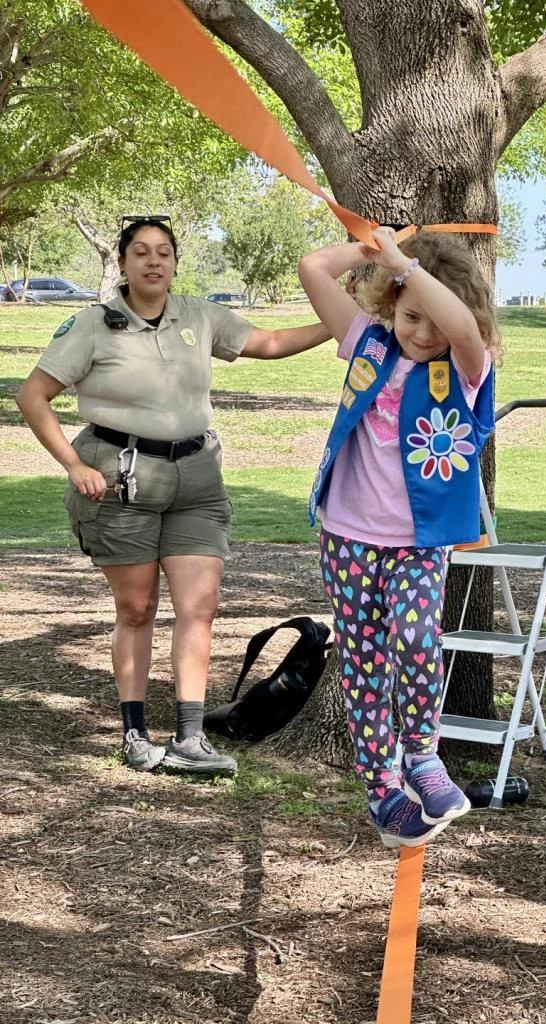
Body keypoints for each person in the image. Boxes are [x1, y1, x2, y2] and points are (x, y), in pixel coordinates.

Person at [15, 216, 330, 776]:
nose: (154, 261)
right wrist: (72, 464)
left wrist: (341, 322)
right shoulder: (92, 325)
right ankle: (135, 733)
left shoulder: (200, 315)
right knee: (136, 609)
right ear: (124, 263)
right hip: (117, 477)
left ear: (176, 262)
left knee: (199, 608)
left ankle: (190, 737)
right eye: (142, 252)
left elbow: (272, 342)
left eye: (164, 252)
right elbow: (34, 396)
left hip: (197, 480)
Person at [298, 226, 496, 848]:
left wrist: (407, 265)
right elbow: (311, 269)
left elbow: (462, 327)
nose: (423, 333)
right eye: (411, 316)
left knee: (413, 638)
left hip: (417, 541)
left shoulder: (464, 371)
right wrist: (374, 253)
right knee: (362, 658)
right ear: (390, 304)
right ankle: (382, 787)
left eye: (432, 319)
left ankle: (422, 755)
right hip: (347, 535)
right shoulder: (368, 344)